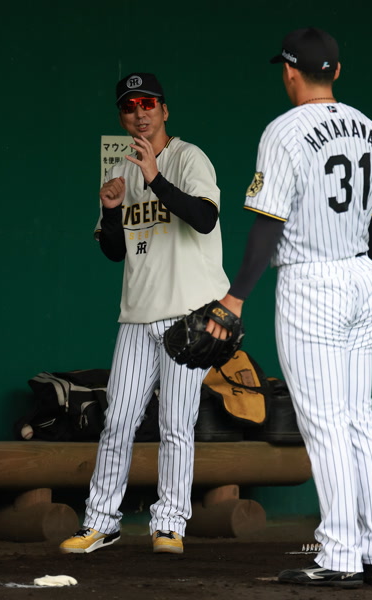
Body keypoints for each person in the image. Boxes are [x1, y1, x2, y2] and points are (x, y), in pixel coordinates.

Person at [209, 28, 372, 587]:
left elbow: (267, 227)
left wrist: (235, 296)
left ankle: (339, 554)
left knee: (325, 424)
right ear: (335, 72)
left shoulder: (284, 130)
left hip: (312, 281)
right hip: (363, 276)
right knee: (359, 418)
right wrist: (356, 268)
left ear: (290, 72)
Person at [60, 72, 229, 555]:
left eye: (148, 103)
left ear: (164, 110)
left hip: (189, 315)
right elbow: (115, 251)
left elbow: (205, 218)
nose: (140, 112)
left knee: (176, 424)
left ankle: (170, 524)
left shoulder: (188, 157)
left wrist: (155, 177)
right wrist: (113, 209)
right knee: (117, 421)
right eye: (130, 106)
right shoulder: (121, 168)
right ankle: (102, 522)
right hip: (136, 316)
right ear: (122, 116)